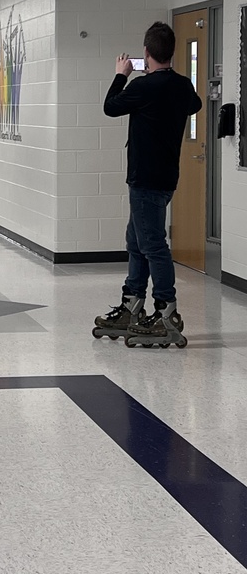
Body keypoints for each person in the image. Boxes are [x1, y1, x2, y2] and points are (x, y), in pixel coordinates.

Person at [94, 21, 202, 345]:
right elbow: (195, 104)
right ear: (171, 51)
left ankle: (166, 311)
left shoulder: (142, 88)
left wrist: (121, 74)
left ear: (145, 52)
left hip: (145, 179)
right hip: (167, 177)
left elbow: (110, 106)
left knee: (153, 244)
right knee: (136, 240)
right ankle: (132, 303)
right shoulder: (181, 86)